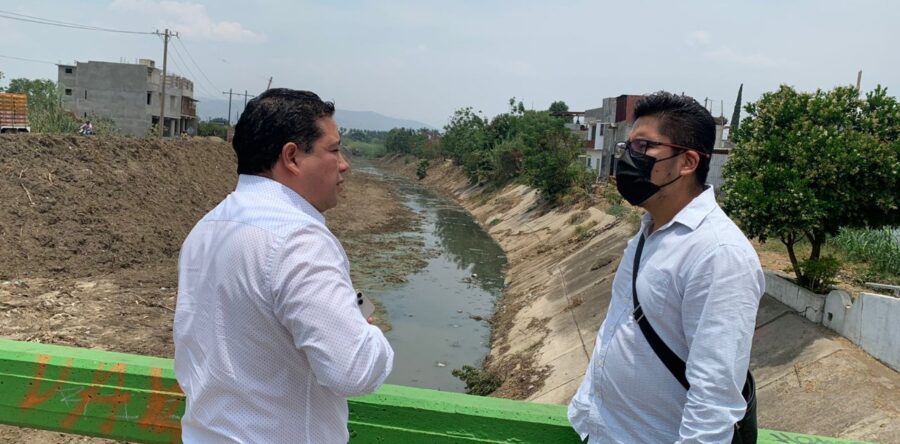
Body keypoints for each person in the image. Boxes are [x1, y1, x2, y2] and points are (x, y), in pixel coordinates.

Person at [174, 88, 394, 443]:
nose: (344, 164)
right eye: (334, 150)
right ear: (292, 157)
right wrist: (370, 333)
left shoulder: (207, 227)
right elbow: (354, 370)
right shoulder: (299, 239)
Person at [568, 91, 764, 443]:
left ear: (687, 162)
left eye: (644, 147)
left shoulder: (719, 254)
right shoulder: (648, 231)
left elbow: (714, 397)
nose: (629, 157)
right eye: (629, 147)